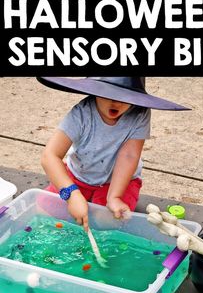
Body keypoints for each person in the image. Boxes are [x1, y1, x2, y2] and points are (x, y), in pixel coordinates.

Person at [39, 75, 188, 232]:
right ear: (94, 89)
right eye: (109, 94)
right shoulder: (81, 114)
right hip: (78, 177)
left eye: (125, 96)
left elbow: (129, 155)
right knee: (44, 209)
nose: (117, 102)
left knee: (106, 222)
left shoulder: (140, 113)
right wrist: (71, 195)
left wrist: (114, 197)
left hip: (117, 182)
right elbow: (50, 156)